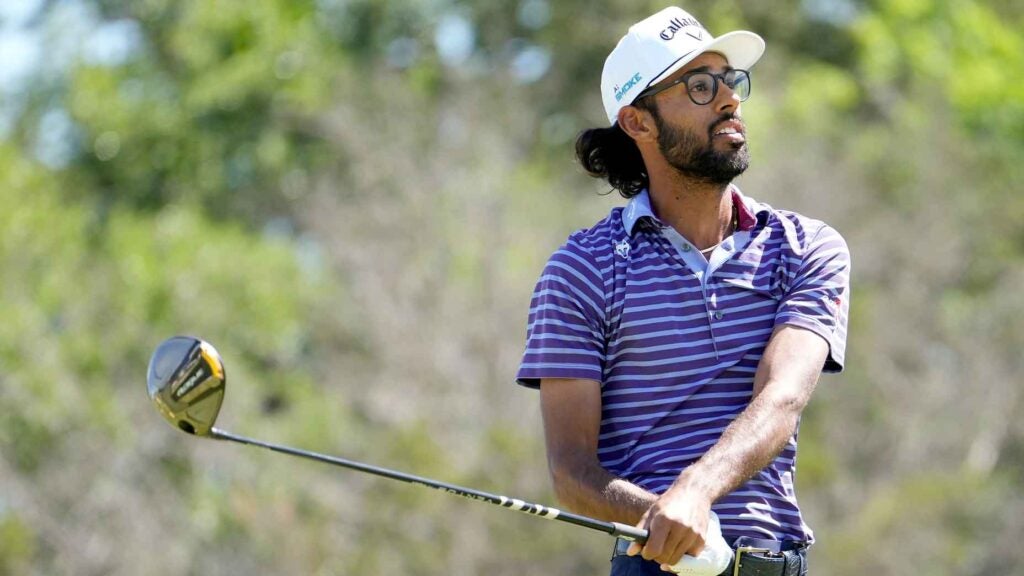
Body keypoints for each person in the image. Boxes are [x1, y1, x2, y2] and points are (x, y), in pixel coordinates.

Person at [516, 6, 850, 576]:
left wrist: (696, 490)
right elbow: (571, 470)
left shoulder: (806, 247)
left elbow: (782, 399)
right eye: (700, 85)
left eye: (730, 81)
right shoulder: (581, 270)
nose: (729, 99)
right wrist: (661, 517)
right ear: (638, 122)